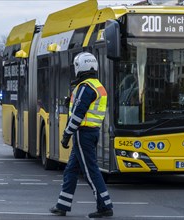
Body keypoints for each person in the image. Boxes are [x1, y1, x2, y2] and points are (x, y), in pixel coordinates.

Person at [49, 52, 113, 218]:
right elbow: (85, 108)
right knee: (71, 170)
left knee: (91, 171)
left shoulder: (85, 87)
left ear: (80, 67)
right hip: (91, 132)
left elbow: (77, 114)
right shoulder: (97, 85)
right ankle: (62, 205)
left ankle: (105, 206)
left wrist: (66, 134)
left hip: (82, 133)